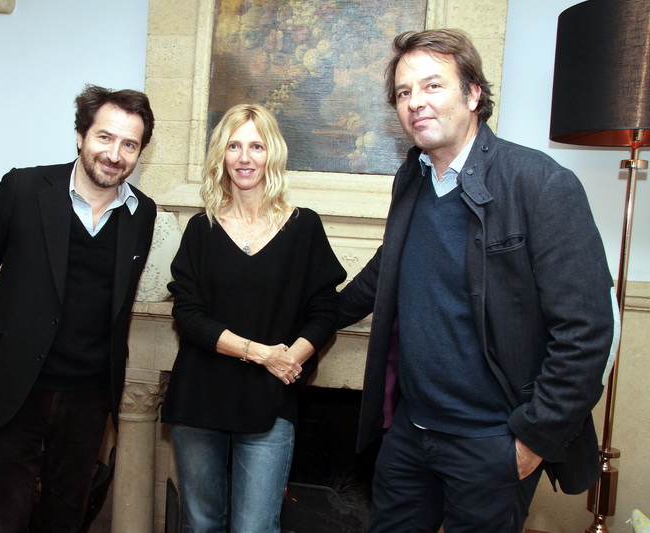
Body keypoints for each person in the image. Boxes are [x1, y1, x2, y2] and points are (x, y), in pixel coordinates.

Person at [337, 29, 618, 532]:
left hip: (492, 443)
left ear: (472, 94)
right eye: (403, 93)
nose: (415, 103)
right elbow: (388, 269)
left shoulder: (540, 183)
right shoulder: (414, 178)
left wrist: (530, 443)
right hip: (410, 434)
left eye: (432, 86)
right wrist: (304, 313)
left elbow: (587, 333)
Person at [0, 85, 157, 532]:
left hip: (88, 398)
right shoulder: (23, 188)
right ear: (80, 136)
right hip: (14, 389)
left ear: (140, 152)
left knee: (66, 518)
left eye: (130, 144)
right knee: (3, 520)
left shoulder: (143, 213)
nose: (115, 153)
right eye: (105, 137)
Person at [161, 103, 346, 532]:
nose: (245, 157)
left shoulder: (303, 227)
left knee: (256, 527)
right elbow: (187, 316)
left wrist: (289, 360)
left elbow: (324, 309)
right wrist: (261, 353)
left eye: (256, 146)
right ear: (221, 156)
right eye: (234, 146)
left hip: (270, 400)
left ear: (272, 154)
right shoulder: (200, 230)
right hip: (200, 398)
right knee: (201, 524)